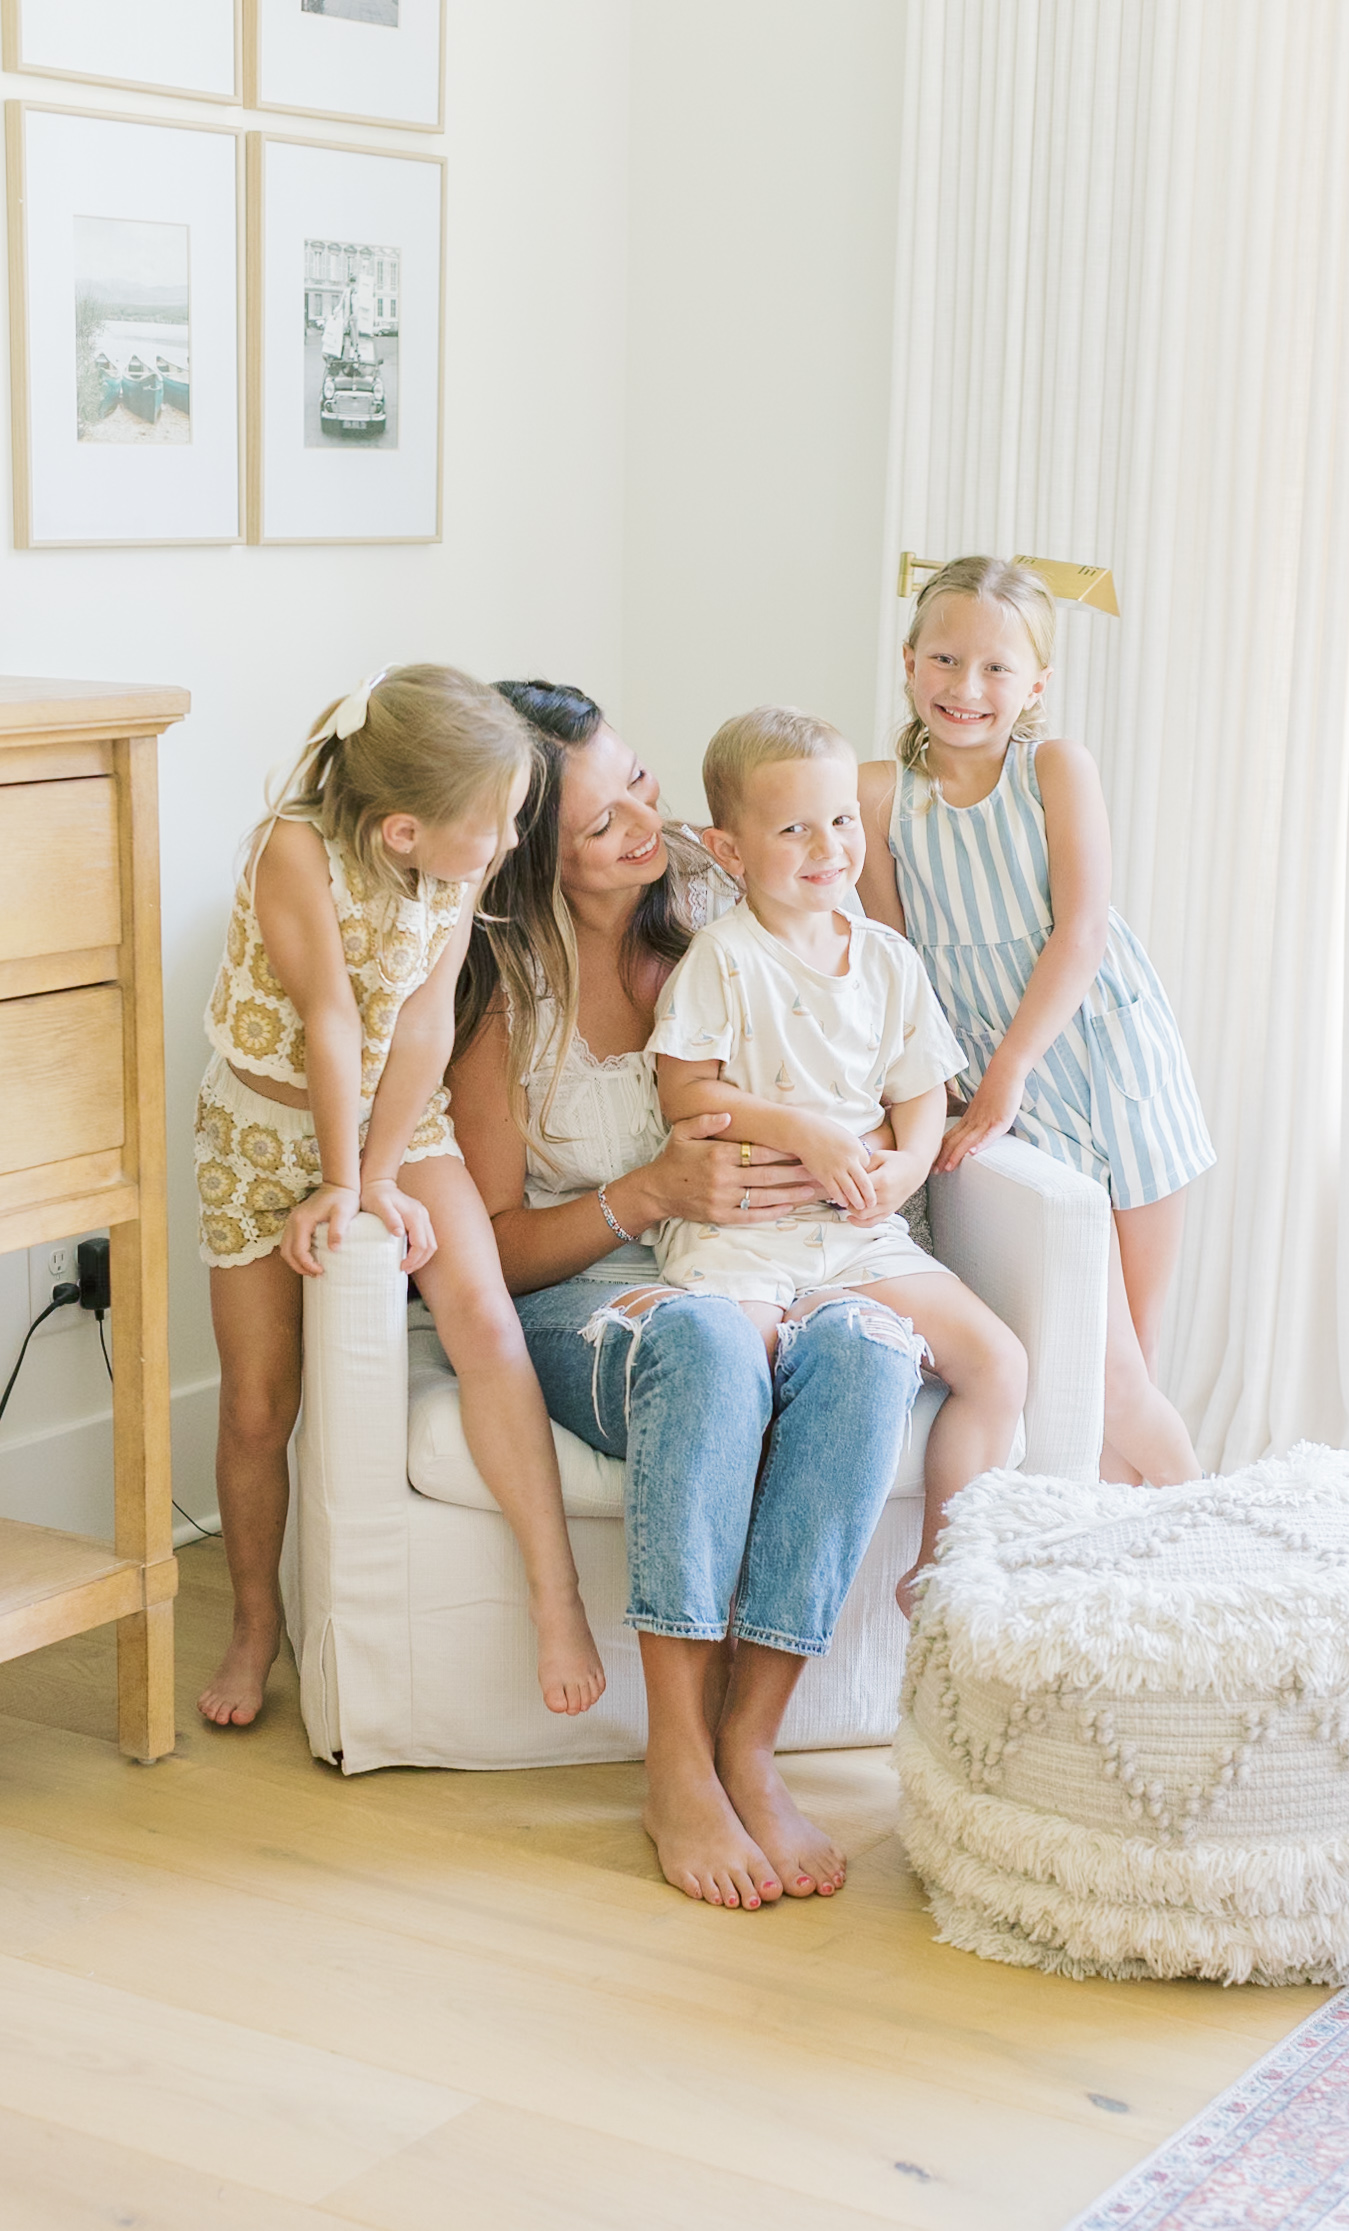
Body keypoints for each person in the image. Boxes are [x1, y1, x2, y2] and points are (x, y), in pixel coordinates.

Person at [449, 680, 925, 1910]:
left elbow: (866, 1043)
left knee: (874, 1348)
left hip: (779, 1258)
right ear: (528, 846)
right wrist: (648, 1192)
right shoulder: (506, 992)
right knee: (711, 1344)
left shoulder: (725, 920)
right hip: (597, 1292)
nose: (643, 831)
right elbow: (491, 1250)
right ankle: (674, 1755)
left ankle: (749, 1744)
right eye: (603, 821)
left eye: (644, 787)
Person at [195, 664, 604, 1729]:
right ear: (401, 832)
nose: (514, 843)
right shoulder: (295, 850)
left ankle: (554, 1592)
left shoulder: (455, 864)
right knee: (255, 1401)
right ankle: (251, 1625)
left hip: (396, 1113)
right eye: (502, 821)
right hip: (264, 1125)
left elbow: (421, 1020)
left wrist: (376, 1175)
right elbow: (330, 1016)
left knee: (481, 1312)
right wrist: (336, 1180)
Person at [648, 706, 1028, 1614]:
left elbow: (920, 1092)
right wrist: (802, 1130)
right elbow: (684, 1095)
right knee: (731, 1376)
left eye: (844, 819)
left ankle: (940, 1565)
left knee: (999, 1362)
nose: (829, 845)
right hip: (745, 1234)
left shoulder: (889, 960)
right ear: (729, 850)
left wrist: (906, 1166)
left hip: (857, 1234)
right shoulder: (723, 959)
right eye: (794, 828)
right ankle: (730, 1588)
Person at [859, 555, 1215, 1488]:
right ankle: (1205, 1536)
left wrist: (1012, 1066)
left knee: (1132, 1365)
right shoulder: (880, 795)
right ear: (907, 662)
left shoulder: (1053, 767)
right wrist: (943, 1089)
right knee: (1102, 1373)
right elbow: (894, 965)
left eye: (995, 669)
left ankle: (1163, 1566)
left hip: (1109, 1059)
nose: (965, 687)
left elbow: (1084, 930)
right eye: (943, 660)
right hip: (994, 1078)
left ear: (1036, 685)